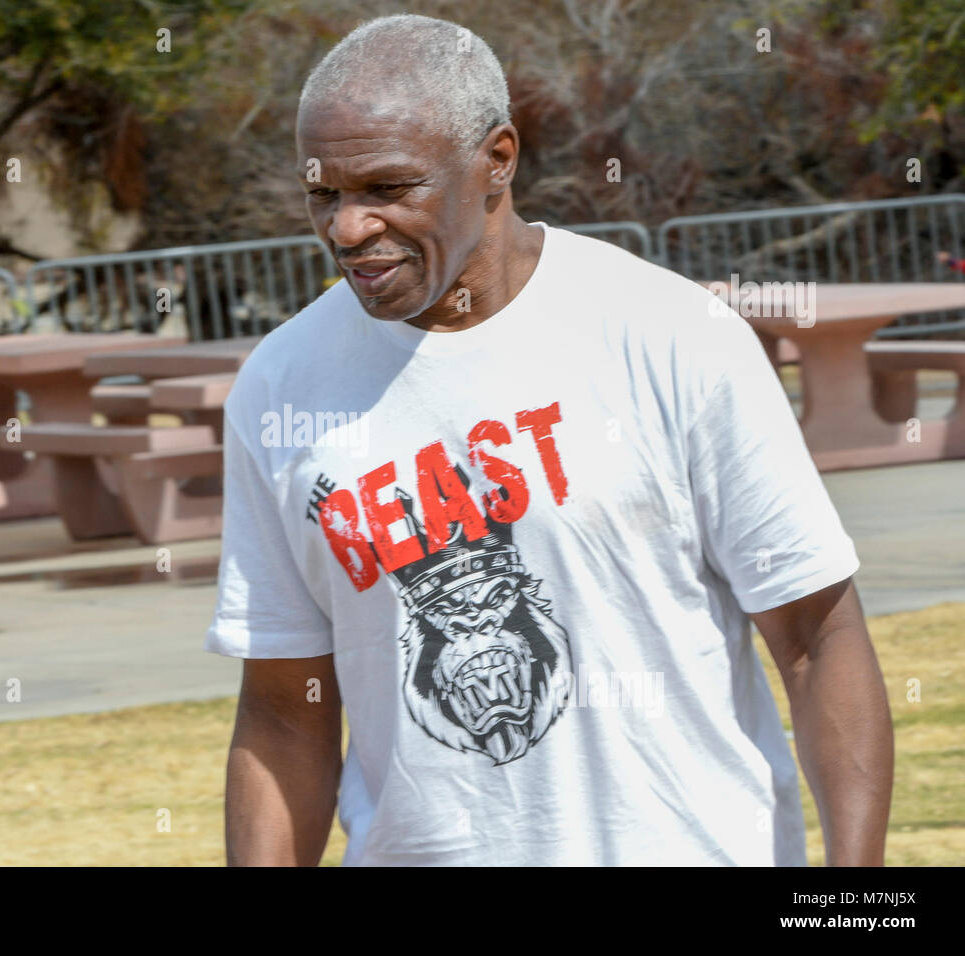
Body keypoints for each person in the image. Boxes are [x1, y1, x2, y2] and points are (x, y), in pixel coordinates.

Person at [205, 14, 894, 866]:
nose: (349, 229)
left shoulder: (671, 335)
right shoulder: (281, 387)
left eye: (389, 188)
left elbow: (817, 638)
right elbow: (283, 712)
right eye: (324, 194)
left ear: (496, 160)